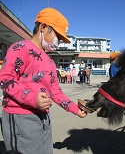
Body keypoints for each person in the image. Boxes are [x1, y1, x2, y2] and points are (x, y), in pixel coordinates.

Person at [0, 8, 87, 154]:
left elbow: (56, 91)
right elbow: (5, 78)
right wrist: (32, 99)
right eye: (57, 36)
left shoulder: (50, 61)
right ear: (43, 27)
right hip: (21, 117)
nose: (58, 42)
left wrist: (75, 109)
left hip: (44, 117)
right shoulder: (20, 48)